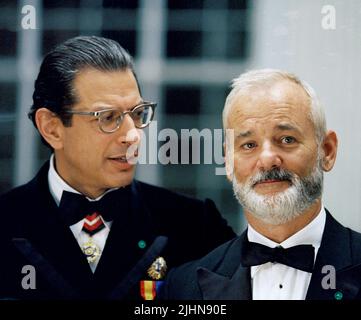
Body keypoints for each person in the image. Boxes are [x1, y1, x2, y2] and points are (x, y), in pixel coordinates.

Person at [0, 36, 235, 300]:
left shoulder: (195, 225)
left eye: (137, 114)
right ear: (52, 128)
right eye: (108, 117)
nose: (133, 136)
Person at [161, 69, 361, 300]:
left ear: (327, 151)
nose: (267, 160)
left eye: (287, 140)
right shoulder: (181, 288)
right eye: (248, 145)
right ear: (228, 162)